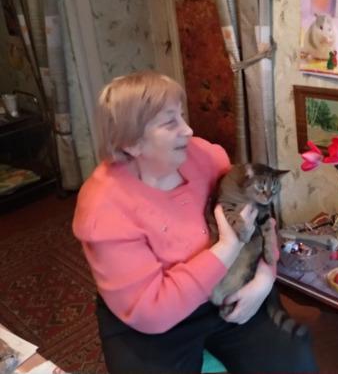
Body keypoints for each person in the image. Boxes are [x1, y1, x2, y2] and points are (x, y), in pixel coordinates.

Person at [72, 71, 317, 373]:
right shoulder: (104, 208)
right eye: (170, 122)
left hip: (228, 287)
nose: (188, 130)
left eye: (182, 116)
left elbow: (261, 218)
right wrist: (228, 245)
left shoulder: (205, 156)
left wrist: (264, 280)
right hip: (156, 321)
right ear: (131, 143)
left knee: (292, 360)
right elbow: (153, 312)